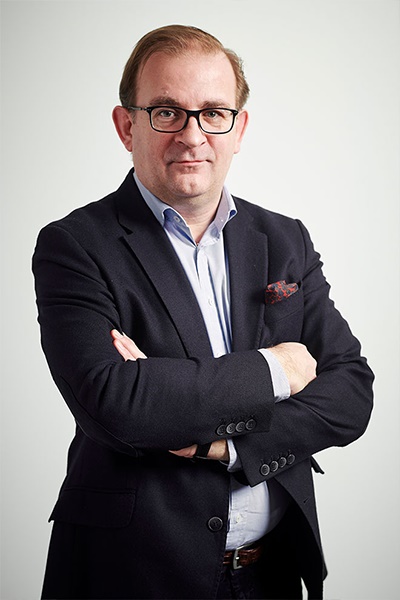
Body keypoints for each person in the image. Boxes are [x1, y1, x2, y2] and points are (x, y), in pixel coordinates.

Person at [33, 24, 373, 600]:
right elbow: (118, 406)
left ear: (239, 128)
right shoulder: (75, 245)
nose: (192, 136)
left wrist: (228, 444)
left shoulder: (283, 239)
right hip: (131, 574)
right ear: (127, 126)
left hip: (272, 572)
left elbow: (351, 393)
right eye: (167, 112)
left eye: (214, 113)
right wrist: (278, 369)